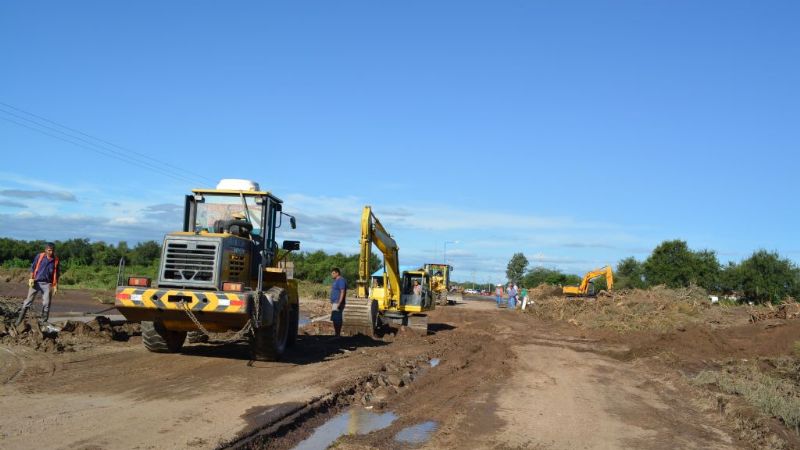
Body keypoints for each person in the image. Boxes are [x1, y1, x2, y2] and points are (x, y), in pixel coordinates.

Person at [17, 242, 60, 325]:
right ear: (46, 250)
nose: (51, 252)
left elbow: (57, 274)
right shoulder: (40, 256)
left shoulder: (56, 260)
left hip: (47, 284)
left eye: (52, 251)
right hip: (36, 282)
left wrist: (55, 286)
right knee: (28, 302)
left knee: (46, 303)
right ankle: (19, 321)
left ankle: (44, 322)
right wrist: (31, 278)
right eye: (49, 250)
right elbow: (33, 268)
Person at [329, 267, 347, 337]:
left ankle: (337, 335)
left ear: (337, 273)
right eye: (332, 273)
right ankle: (336, 335)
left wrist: (339, 302)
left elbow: (342, 291)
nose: (332, 275)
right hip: (335, 302)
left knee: (337, 319)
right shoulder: (336, 280)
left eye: (333, 273)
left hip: (337, 303)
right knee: (335, 319)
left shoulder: (341, 280)